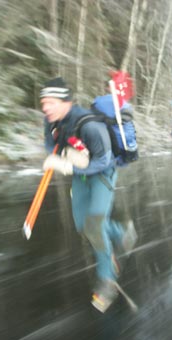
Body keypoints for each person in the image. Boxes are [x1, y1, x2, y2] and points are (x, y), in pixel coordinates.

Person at [40, 77, 136, 313]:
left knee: (94, 225)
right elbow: (49, 144)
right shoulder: (51, 122)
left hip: (103, 174)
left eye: (51, 102)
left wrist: (70, 165)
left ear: (66, 101)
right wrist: (64, 154)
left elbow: (103, 160)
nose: (45, 107)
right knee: (83, 226)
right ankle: (121, 231)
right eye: (43, 102)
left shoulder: (89, 125)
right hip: (81, 176)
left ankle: (107, 280)